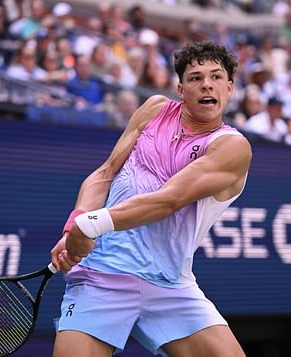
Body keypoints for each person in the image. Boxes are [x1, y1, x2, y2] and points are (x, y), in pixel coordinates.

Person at [51, 40, 250, 357]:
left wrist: (90, 225)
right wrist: (72, 225)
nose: (206, 84)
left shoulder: (231, 146)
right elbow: (105, 173)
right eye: (195, 78)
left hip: (170, 285)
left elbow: (168, 200)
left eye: (215, 77)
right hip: (102, 274)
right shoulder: (154, 109)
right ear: (181, 89)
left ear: (229, 88)